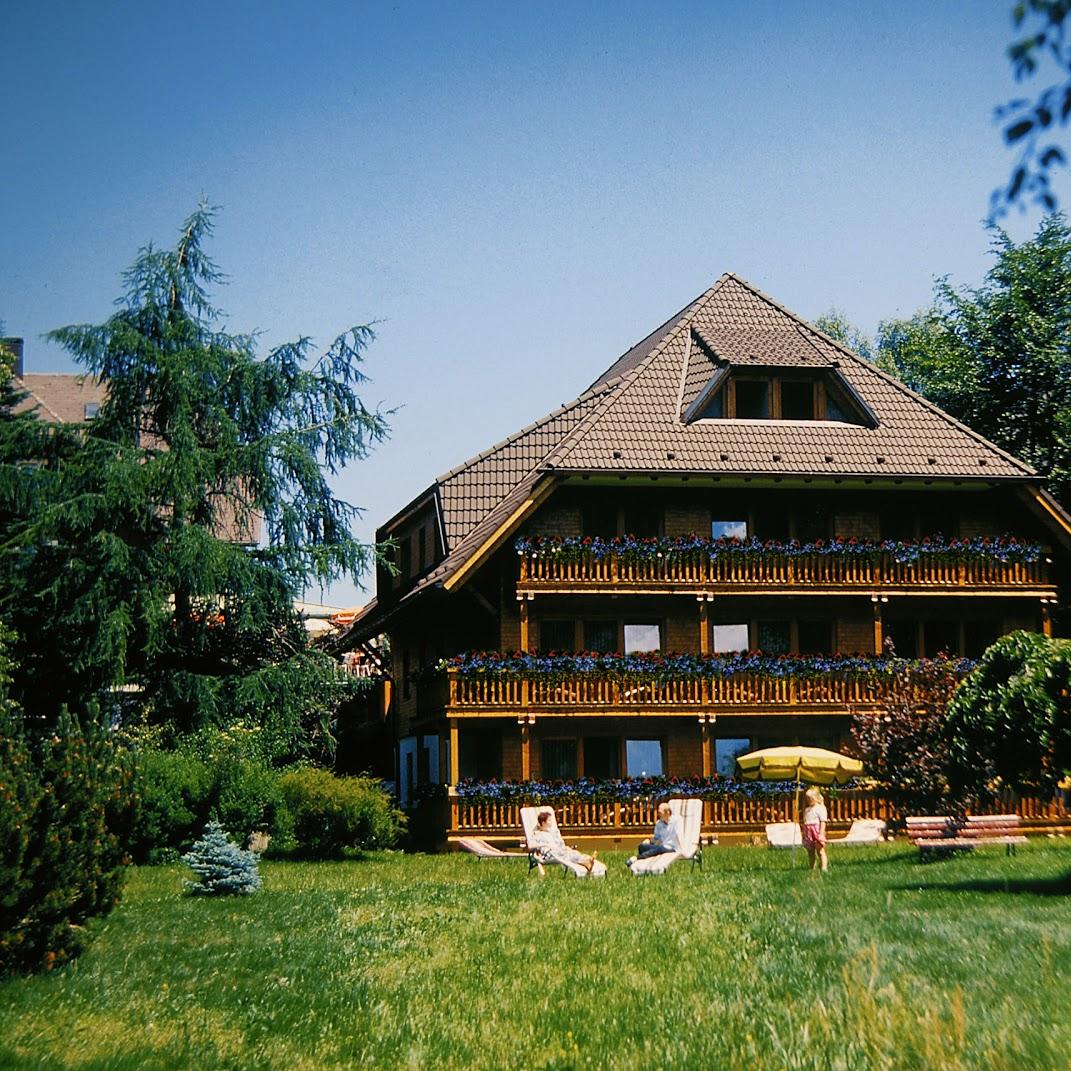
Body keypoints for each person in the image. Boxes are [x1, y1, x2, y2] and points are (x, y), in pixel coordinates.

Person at [529, 810, 598, 875]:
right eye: (549, 820)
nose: (551, 822)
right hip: (549, 854)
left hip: (558, 851)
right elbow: (530, 845)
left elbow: (560, 844)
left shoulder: (552, 833)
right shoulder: (538, 834)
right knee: (565, 855)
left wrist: (564, 847)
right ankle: (586, 861)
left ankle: (586, 861)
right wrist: (545, 845)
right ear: (543, 823)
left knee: (572, 852)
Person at [627, 802, 682, 869]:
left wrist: (682, 849)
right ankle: (644, 864)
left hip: (672, 848)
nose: (658, 815)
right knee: (642, 846)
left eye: (660, 813)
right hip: (661, 846)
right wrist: (649, 841)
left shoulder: (677, 821)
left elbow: (679, 835)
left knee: (660, 848)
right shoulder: (659, 823)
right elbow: (656, 838)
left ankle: (637, 858)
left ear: (667, 812)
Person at [801, 786, 829, 872]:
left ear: (815, 798)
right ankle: (812, 868)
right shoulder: (807, 810)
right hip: (808, 832)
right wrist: (804, 833)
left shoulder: (820, 808)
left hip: (816, 831)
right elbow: (805, 822)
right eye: (807, 799)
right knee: (810, 851)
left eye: (810, 798)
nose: (808, 800)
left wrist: (821, 833)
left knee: (820, 850)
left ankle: (824, 867)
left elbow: (823, 822)